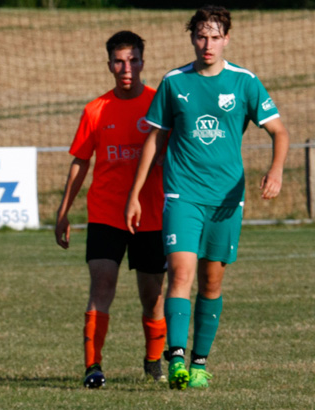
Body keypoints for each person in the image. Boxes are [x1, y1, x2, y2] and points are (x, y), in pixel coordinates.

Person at [125, 5, 288, 390]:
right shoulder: (174, 82)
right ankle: (177, 359)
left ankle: (200, 362)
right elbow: (155, 140)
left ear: (227, 38)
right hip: (182, 193)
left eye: (215, 37)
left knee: (211, 283)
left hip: (227, 200)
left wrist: (276, 169)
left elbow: (279, 132)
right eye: (201, 36)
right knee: (180, 273)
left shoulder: (245, 83)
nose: (207, 44)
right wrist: (134, 195)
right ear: (192, 38)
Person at [56, 30, 168, 389]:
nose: (127, 67)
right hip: (105, 213)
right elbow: (80, 162)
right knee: (101, 284)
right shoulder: (96, 109)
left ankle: (154, 359)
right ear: (109, 65)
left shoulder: (159, 106)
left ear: (142, 63)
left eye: (133, 60)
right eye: (119, 61)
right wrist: (63, 212)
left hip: (152, 215)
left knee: (152, 297)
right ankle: (93, 366)